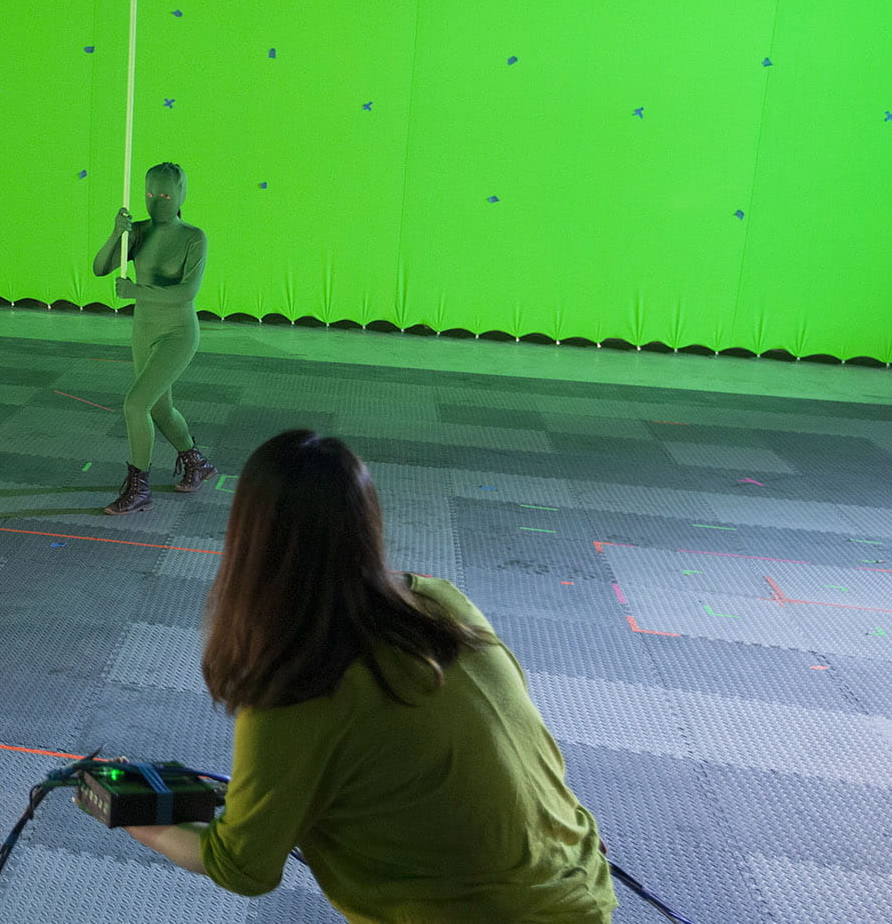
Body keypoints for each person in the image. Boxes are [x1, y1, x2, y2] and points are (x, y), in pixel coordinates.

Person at [122, 430, 617, 922]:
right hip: (580, 885)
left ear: (248, 539)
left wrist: (138, 820)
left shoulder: (294, 687)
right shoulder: (440, 601)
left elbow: (240, 868)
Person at [91, 161, 216, 514]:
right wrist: (117, 233)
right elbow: (100, 268)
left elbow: (186, 293)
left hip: (178, 333)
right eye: (150, 194)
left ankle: (138, 487)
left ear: (180, 196)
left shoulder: (194, 237)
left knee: (135, 404)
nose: (156, 202)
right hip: (144, 332)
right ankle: (196, 463)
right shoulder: (139, 232)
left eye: (164, 195)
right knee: (160, 408)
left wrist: (136, 290)